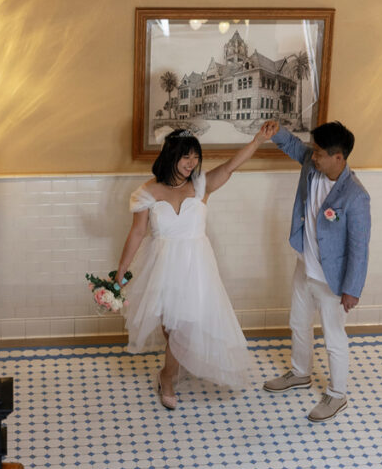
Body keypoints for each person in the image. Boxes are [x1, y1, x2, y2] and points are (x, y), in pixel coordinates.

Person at [112, 123, 278, 409]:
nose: (192, 163)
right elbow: (137, 233)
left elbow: (230, 167)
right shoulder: (147, 193)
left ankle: (167, 377)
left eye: (195, 157)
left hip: (196, 266)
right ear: (170, 156)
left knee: (181, 326)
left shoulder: (201, 185)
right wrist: (120, 272)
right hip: (162, 266)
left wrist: (257, 141)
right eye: (186, 157)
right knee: (169, 327)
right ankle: (176, 365)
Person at [262, 119, 371, 423]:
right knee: (298, 322)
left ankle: (337, 394)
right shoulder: (313, 166)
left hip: (332, 280)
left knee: (334, 336)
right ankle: (300, 372)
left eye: (320, 153)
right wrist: (277, 133)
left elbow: (359, 248)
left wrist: (352, 289)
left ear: (339, 158)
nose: (314, 156)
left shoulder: (356, 196)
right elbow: (296, 147)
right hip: (304, 265)